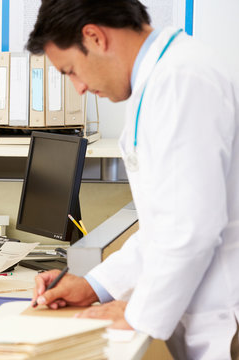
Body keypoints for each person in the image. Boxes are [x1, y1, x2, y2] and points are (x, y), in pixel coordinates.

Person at [26, 0, 239, 358]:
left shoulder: (181, 80)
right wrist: (94, 285)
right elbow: (163, 226)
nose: (77, 87)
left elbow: (190, 230)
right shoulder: (158, 82)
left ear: (94, 37)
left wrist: (138, 311)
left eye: (71, 70)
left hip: (224, 318)